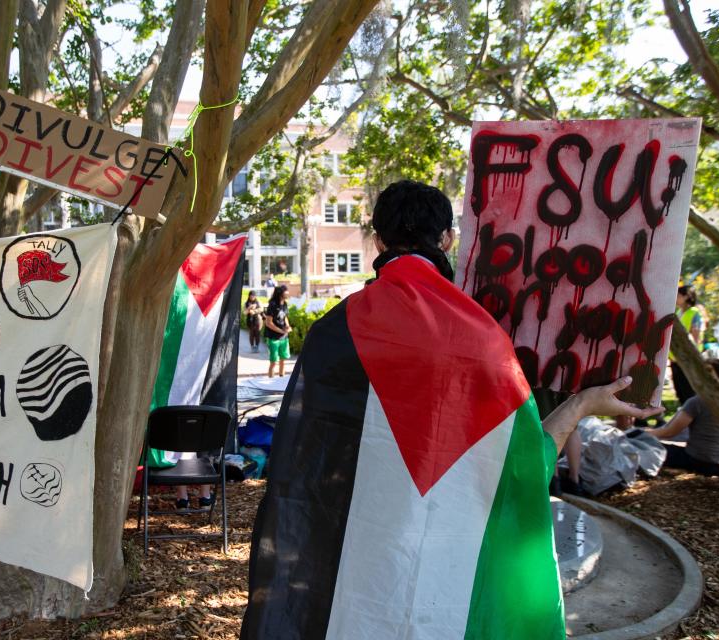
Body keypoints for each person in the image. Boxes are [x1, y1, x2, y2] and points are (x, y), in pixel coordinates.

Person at [241, 180, 661, 640]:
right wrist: (582, 403)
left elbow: (304, 474)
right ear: (446, 240)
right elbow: (524, 468)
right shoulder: (484, 340)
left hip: (354, 563)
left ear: (378, 241)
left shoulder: (333, 333)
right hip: (452, 576)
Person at [648, 364, 719, 476]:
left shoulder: (698, 401)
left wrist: (641, 434)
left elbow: (669, 432)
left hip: (699, 460)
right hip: (717, 463)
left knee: (649, 447)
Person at [670, 286, 705, 405]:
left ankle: (694, 420)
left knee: (689, 392)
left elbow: (696, 336)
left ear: (687, 297)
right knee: (680, 391)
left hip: (687, 360)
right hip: (676, 359)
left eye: (678, 296)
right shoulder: (679, 313)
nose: (675, 298)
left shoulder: (694, 313)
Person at [263, 285, 290, 378]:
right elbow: (268, 323)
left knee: (283, 361)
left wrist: (287, 326)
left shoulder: (285, 304)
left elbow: (285, 316)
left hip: (284, 338)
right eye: (286, 291)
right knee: (274, 362)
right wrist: (281, 331)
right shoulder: (272, 305)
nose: (288, 293)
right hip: (273, 338)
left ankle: (281, 379)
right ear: (280, 293)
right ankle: (270, 381)